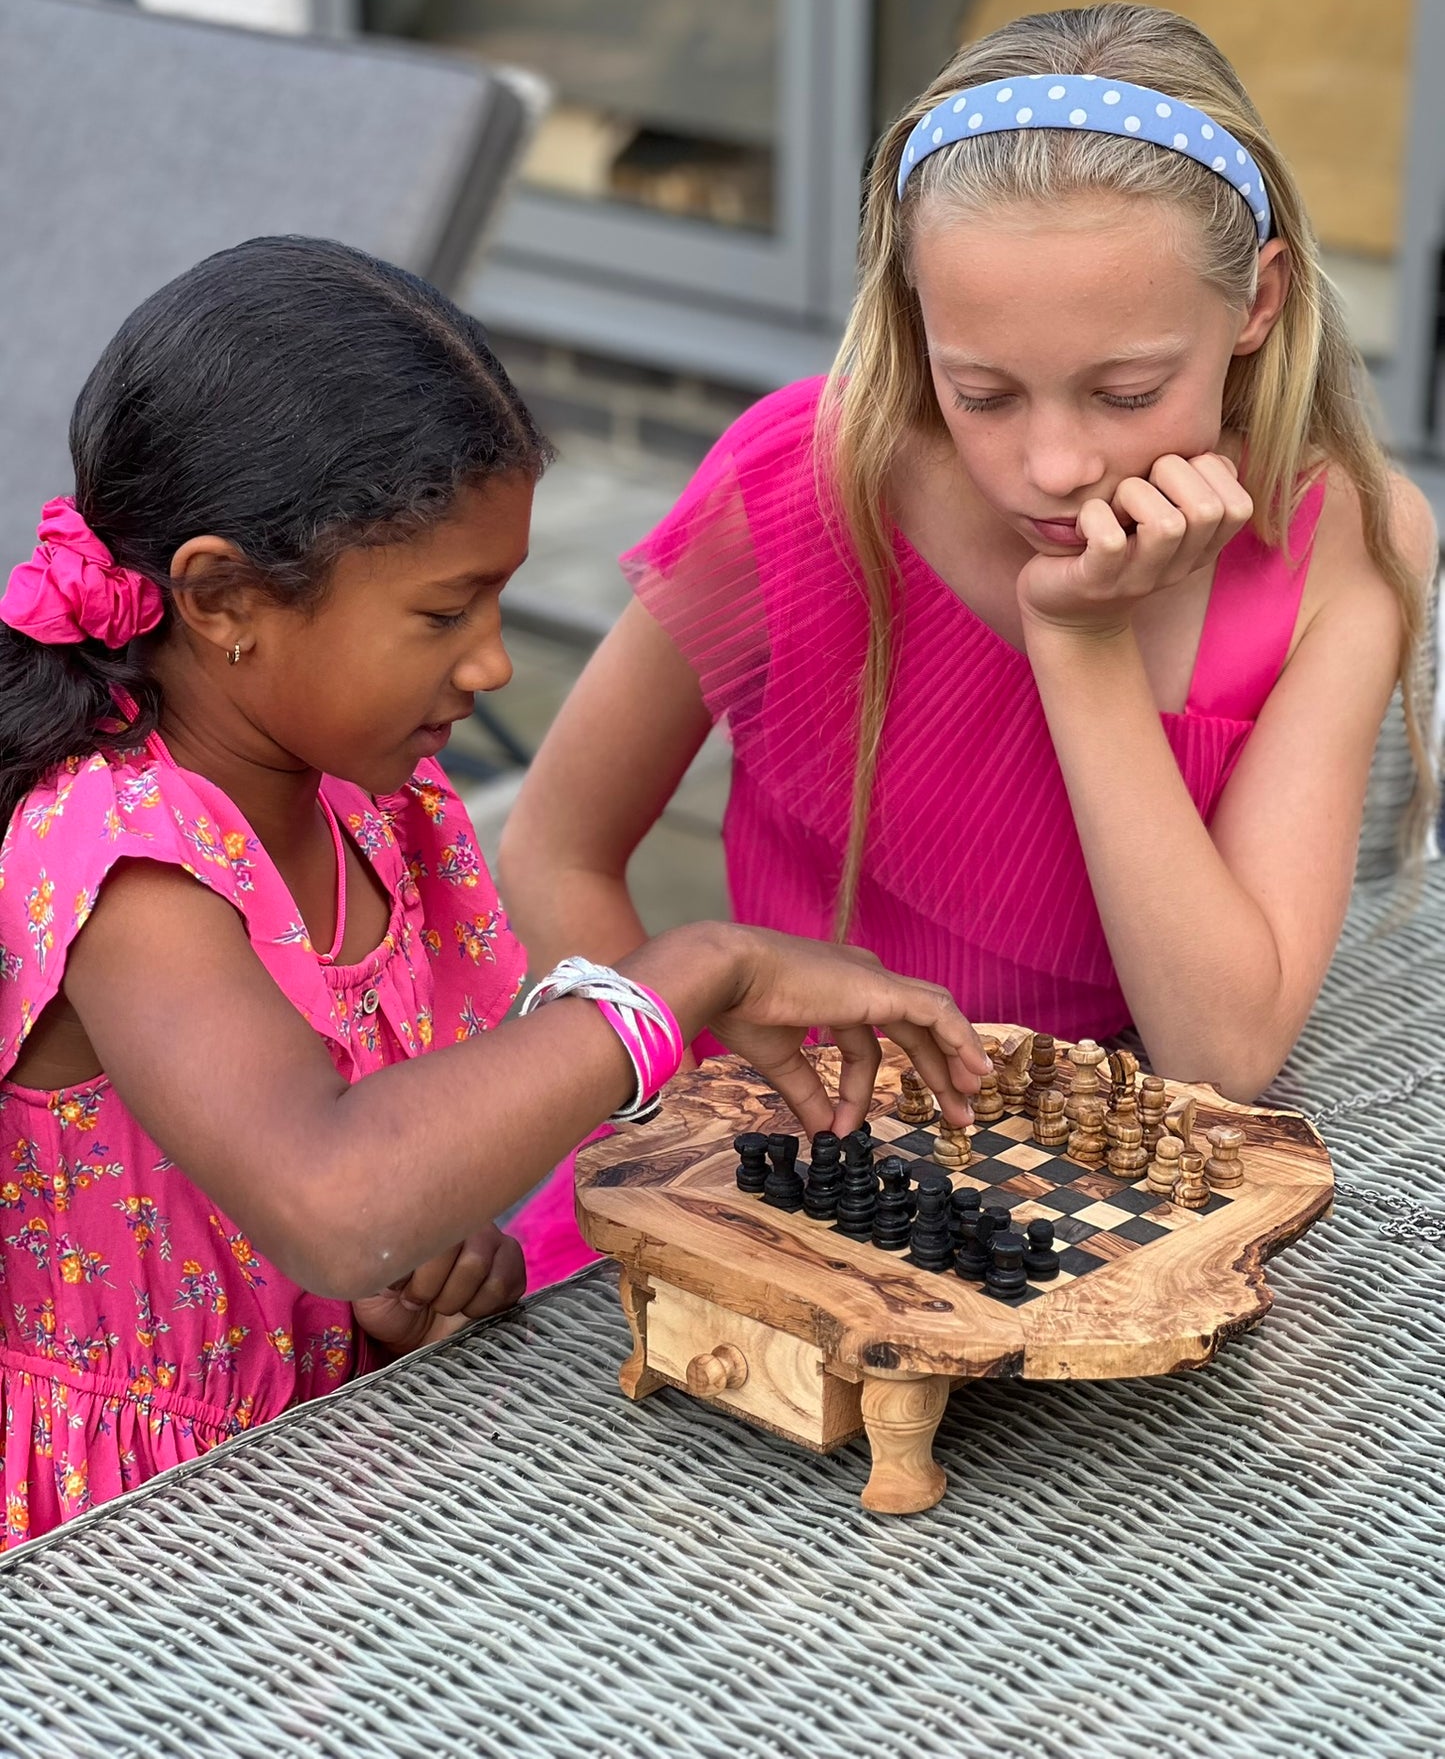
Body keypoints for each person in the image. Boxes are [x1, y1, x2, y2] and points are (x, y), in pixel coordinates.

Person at [0, 236, 985, 1546]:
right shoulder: (123, 857)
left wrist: (453, 1260)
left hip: (336, 1475)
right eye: (443, 612)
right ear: (224, 594)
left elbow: (386, 1207)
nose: (494, 662)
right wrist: (686, 975)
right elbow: (337, 1196)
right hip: (133, 1548)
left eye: (500, 600)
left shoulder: (361, 800)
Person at [500, 2, 1438, 1286]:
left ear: (1257, 302)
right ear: (911, 317)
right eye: (981, 391)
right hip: (767, 1178)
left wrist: (1083, 647)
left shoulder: (1346, 539)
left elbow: (1221, 1048)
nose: (1051, 464)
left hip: (1087, 1228)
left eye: (1125, 393)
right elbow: (555, 845)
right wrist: (685, 1135)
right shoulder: (799, 478)